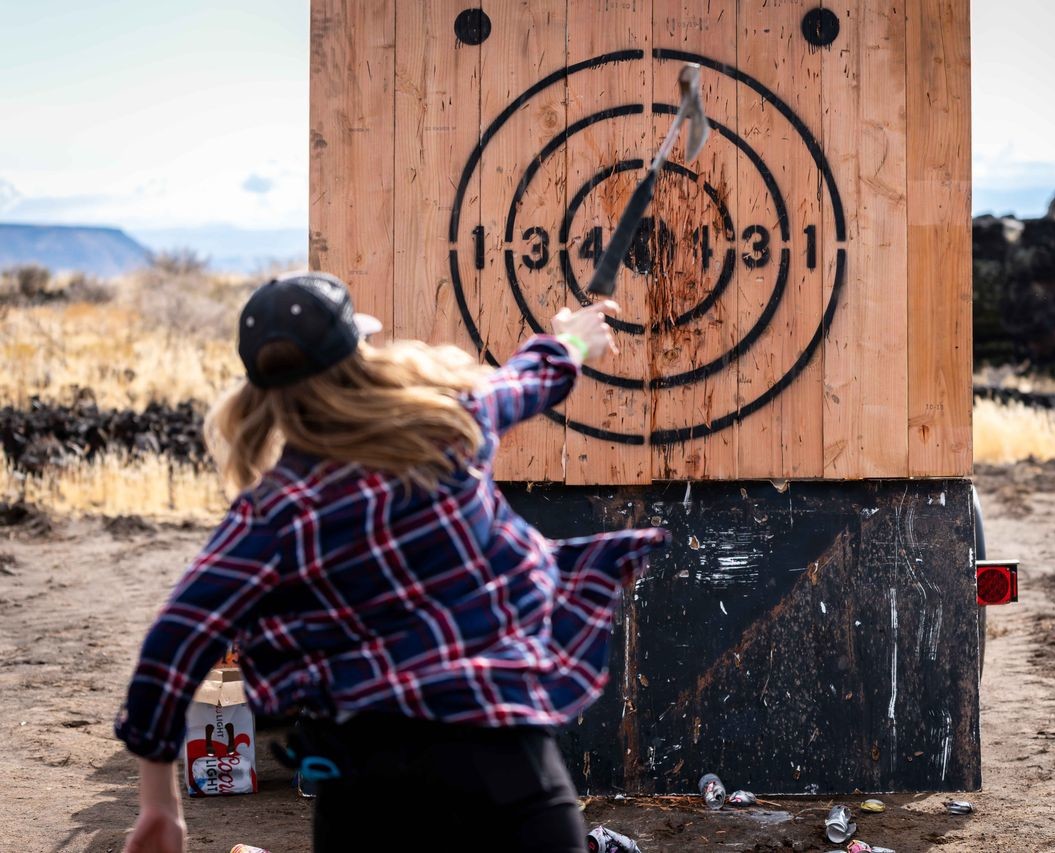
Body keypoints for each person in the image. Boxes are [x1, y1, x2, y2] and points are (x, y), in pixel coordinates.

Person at [115, 271, 668, 852]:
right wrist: (571, 339)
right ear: (359, 356)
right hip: (506, 767)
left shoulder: (271, 516)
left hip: (365, 795)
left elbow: (173, 643)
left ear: (260, 391)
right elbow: (525, 381)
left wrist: (159, 805)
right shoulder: (451, 427)